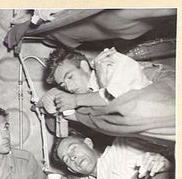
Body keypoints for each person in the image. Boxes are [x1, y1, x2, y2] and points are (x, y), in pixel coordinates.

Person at [40, 47, 175, 143]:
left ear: (84, 66)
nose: (69, 87)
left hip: (164, 83)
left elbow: (114, 97)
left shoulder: (106, 62)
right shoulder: (86, 104)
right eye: (63, 85)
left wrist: (75, 100)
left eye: (70, 77)